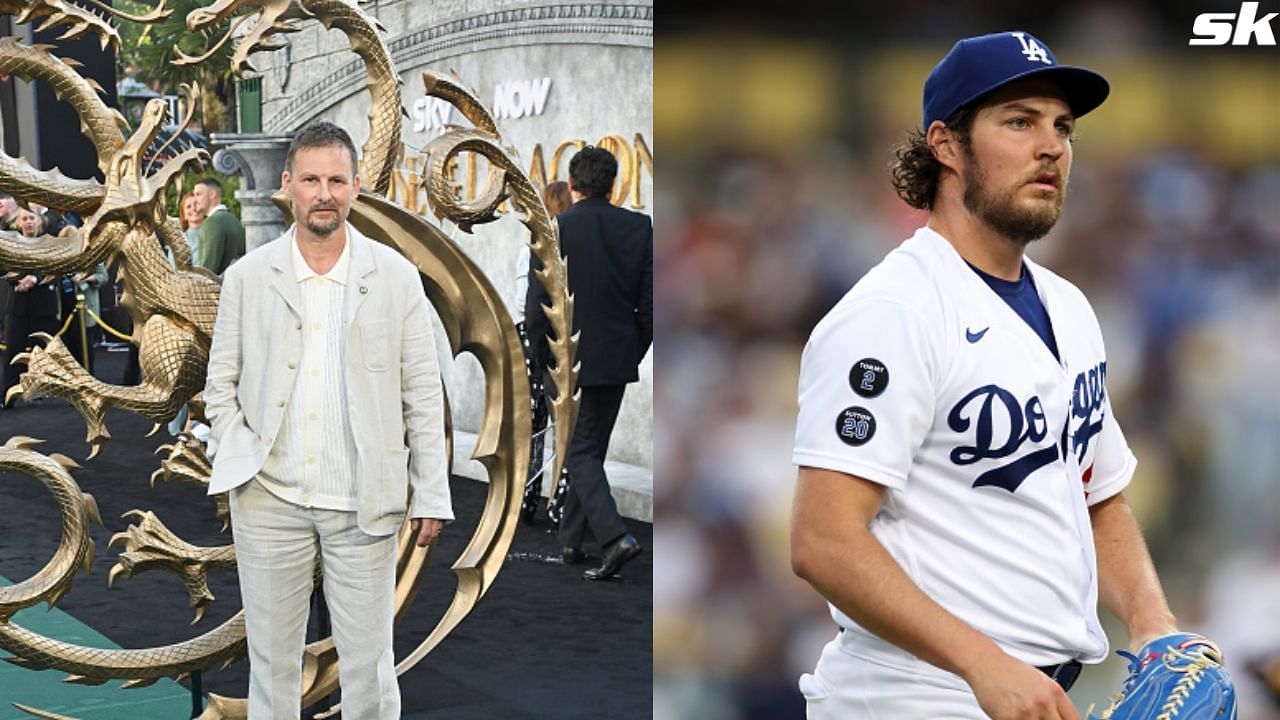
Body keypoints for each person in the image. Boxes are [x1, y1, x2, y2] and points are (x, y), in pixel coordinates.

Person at [789, 31, 1182, 720]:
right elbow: (823, 542)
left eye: (1062, 127)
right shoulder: (895, 312)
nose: (1051, 146)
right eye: (1020, 121)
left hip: (1029, 691)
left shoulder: (1068, 305)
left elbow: (1100, 495)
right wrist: (982, 663)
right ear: (946, 144)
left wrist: (1155, 628)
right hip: (917, 692)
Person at [203, 121, 453, 718]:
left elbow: (422, 390)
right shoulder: (245, 277)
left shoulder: (395, 277)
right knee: (272, 668)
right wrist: (238, 456)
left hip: (365, 504)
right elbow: (220, 386)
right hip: (268, 502)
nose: (323, 192)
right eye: (311, 179)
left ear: (356, 188)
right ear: (287, 185)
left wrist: (431, 492)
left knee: (368, 669)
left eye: (336, 180)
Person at [525, 147, 653, 581]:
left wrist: (539, 356)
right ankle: (571, 541)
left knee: (577, 450)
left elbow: (537, 302)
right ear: (613, 184)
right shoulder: (640, 227)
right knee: (590, 449)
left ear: (573, 185)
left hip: (565, 359)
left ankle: (615, 539)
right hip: (616, 356)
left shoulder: (554, 228)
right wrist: (633, 349)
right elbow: (650, 306)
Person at [517, 180, 573, 525]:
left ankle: (527, 499)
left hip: (532, 337)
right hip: (563, 337)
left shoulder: (535, 243)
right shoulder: (569, 244)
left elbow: (524, 300)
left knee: (533, 422)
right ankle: (559, 503)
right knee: (563, 422)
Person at [2, 208, 60, 406]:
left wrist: (35, 278)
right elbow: (4, 267)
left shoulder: (49, 243)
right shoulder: (11, 244)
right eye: (24, 219)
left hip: (43, 308)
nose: (28, 222)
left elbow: (55, 267)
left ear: (39, 221)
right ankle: (7, 396)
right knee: (13, 352)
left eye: (31, 218)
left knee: (40, 352)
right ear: (18, 223)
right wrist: (21, 279)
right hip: (18, 306)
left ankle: (38, 390)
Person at [192, 177, 245, 275]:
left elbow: (208, 271)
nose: (194, 200)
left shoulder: (214, 222)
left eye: (198, 194)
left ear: (212, 194)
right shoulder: (233, 220)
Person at [180, 191, 207, 267]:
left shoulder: (215, 234)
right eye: (189, 206)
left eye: (197, 204)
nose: (194, 208)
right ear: (184, 214)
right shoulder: (179, 241)